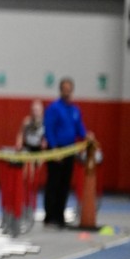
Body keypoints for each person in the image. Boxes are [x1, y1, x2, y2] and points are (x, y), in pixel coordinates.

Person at [43, 78, 88, 227]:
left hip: (70, 150)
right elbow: (49, 129)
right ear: (61, 90)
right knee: (53, 183)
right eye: (65, 89)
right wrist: (54, 148)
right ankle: (50, 216)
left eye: (69, 89)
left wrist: (87, 137)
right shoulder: (54, 108)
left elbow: (80, 128)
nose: (67, 92)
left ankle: (60, 215)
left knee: (65, 184)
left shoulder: (75, 110)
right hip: (56, 150)